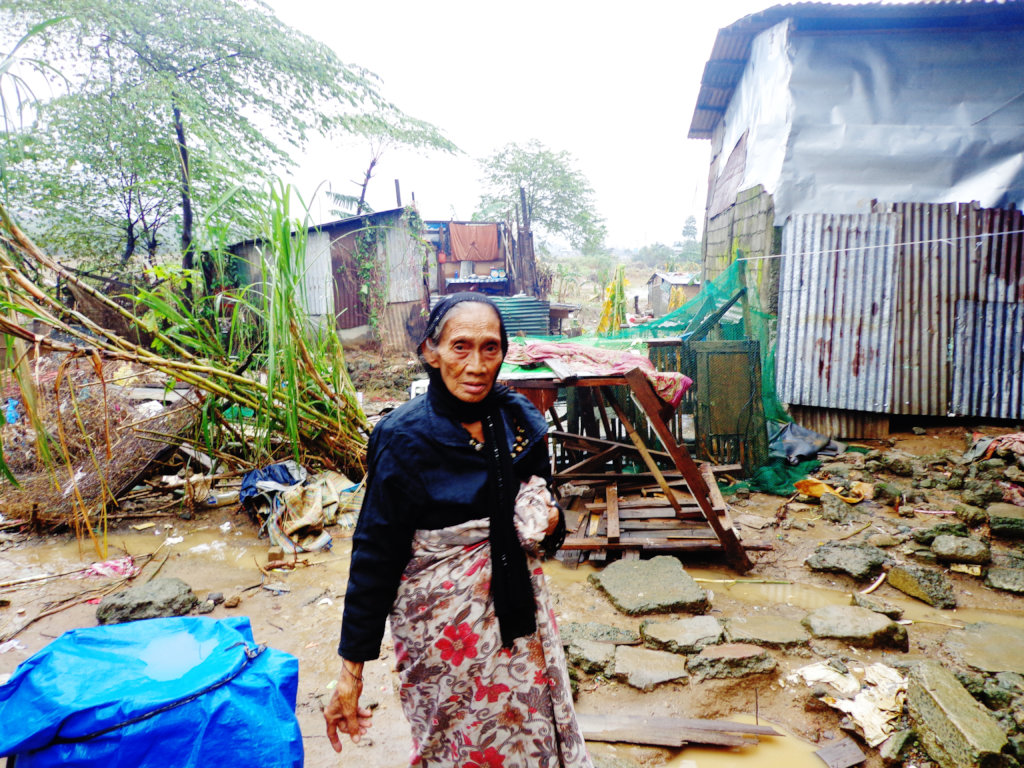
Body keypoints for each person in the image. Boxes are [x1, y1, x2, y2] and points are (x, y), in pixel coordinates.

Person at [324, 293, 592, 767]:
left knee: (527, 734)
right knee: (451, 747)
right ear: (431, 351)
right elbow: (374, 556)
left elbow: (546, 522)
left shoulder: (519, 424)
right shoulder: (403, 438)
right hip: (442, 641)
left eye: (490, 348)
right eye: (460, 346)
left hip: (518, 625)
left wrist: (550, 522)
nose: (476, 364)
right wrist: (351, 673)